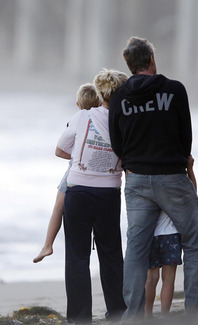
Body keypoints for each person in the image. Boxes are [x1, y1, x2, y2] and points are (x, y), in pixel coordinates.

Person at [109, 36, 198, 320]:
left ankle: (133, 316)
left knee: (137, 249)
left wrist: (132, 162)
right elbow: (185, 136)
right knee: (192, 243)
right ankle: (197, 313)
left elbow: (117, 142)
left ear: (129, 65)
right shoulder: (174, 90)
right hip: (172, 177)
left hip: (137, 180)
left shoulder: (119, 97)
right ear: (151, 60)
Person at [56, 69, 128, 323]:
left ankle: (79, 317)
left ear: (100, 92)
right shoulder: (125, 120)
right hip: (109, 192)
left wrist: (80, 159)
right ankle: (117, 311)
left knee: (77, 255)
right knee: (111, 254)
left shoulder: (82, 116)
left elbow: (60, 150)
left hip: (79, 191)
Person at [33, 84, 101, 264]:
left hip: (76, 170)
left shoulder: (77, 119)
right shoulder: (102, 122)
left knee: (58, 207)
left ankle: (48, 245)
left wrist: (79, 155)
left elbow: (59, 151)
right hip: (101, 174)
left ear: (77, 104)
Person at [144, 155, 197, 317]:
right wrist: (190, 170)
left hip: (150, 234)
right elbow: (192, 195)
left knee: (151, 278)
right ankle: (164, 316)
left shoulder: (148, 183)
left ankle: (147, 315)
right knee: (169, 279)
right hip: (170, 235)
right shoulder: (174, 186)